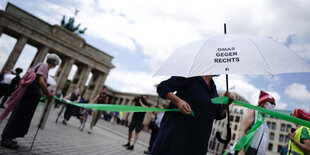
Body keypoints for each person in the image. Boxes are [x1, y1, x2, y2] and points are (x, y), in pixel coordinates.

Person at [150, 75, 234, 155]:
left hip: (198, 144)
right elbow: (162, 87)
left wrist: (224, 105)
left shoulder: (213, 87)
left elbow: (217, 115)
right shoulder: (192, 76)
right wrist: (178, 101)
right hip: (177, 138)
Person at [0, 54, 60, 149]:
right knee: (20, 116)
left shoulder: (40, 64)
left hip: (29, 95)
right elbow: (40, 81)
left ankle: (9, 138)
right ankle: (6, 139)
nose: (55, 66)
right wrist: (48, 93)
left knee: (21, 116)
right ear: (54, 63)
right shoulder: (44, 66)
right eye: (56, 64)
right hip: (30, 96)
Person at [235, 90, 276, 155]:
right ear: (265, 103)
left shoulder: (262, 119)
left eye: (274, 104)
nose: (273, 106)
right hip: (246, 150)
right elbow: (242, 129)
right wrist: (241, 150)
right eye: (271, 103)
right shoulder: (253, 111)